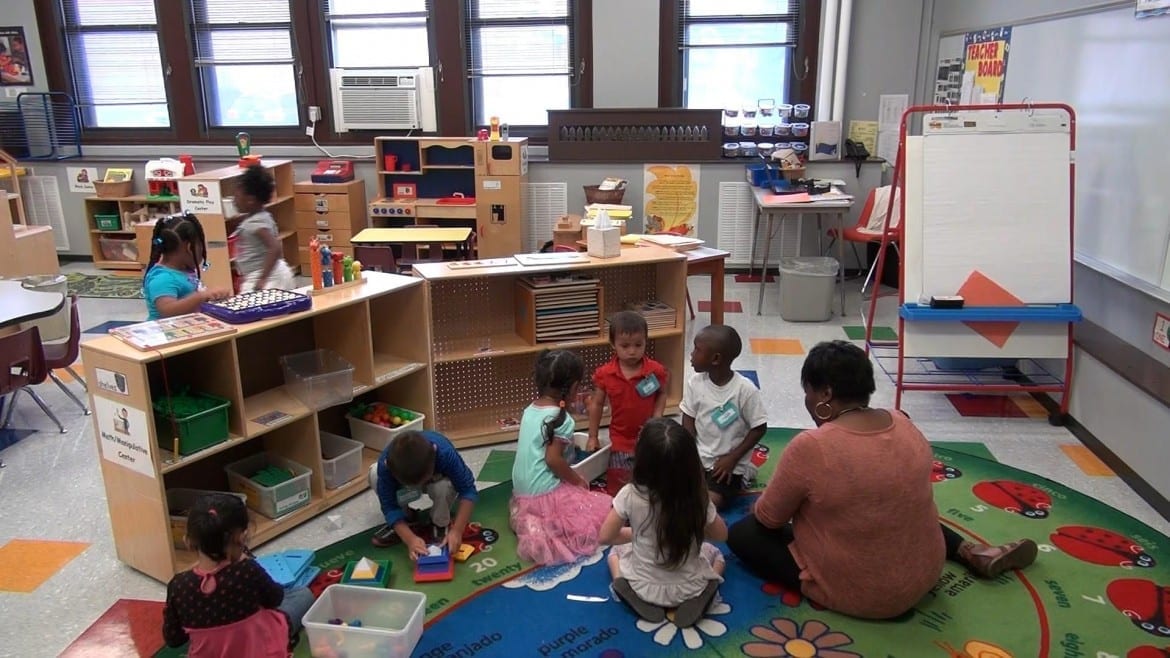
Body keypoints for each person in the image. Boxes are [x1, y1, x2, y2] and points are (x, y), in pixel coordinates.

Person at [727, 340, 1039, 620]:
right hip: (926, 574)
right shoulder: (902, 421)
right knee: (893, 502)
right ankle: (973, 552)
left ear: (826, 394)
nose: (807, 401)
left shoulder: (812, 446)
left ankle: (824, 575)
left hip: (864, 594)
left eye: (808, 392)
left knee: (744, 533)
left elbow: (768, 519)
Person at [600, 418, 727, 628]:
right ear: (691, 463)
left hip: (643, 586)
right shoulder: (698, 496)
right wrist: (691, 530)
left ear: (641, 459)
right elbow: (721, 535)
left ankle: (621, 583)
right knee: (717, 555)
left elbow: (605, 537)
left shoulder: (630, 494)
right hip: (690, 587)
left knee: (614, 553)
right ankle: (708, 588)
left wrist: (638, 534)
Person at [162, 493, 312, 657]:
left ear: (188, 542)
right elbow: (275, 598)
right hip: (262, 650)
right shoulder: (247, 570)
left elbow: (173, 639)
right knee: (302, 594)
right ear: (242, 537)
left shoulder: (179, 585)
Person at [511, 349, 613, 565]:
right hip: (544, 492)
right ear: (574, 388)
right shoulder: (562, 419)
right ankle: (543, 529)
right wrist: (577, 480)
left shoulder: (529, 409)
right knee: (592, 512)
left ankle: (532, 522)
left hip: (521, 490)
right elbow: (553, 460)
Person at [680, 325, 768, 510]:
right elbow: (688, 417)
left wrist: (733, 458)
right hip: (699, 457)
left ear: (716, 359)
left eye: (697, 349)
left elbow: (759, 427)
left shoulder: (745, 390)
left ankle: (744, 473)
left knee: (711, 503)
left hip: (727, 465)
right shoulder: (695, 383)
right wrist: (689, 452)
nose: (692, 354)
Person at [587, 310, 669, 495]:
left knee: (652, 481)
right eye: (625, 345)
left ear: (646, 341)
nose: (632, 351)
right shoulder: (605, 373)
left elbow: (662, 393)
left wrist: (657, 419)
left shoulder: (655, 370)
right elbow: (597, 404)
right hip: (620, 439)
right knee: (618, 485)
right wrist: (592, 436)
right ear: (613, 344)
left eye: (638, 345)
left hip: (648, 437)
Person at [368, 430, 478, 557]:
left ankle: (440, 522)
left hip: (436, 481)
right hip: (402, 484)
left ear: (435, 451)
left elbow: (468, 490)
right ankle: (406, 518)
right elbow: (389, 506)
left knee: (442, 487)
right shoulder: (385, 464)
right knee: (375, 474)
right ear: (388, 465)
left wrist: (457, 530)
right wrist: (409, 539)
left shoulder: (444, 452)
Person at [143, 213, 230, 320]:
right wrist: (202, 296)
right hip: (164, 333)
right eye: (201, 246)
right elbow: (167, 311)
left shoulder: (184, 270)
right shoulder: (163, 278)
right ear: (190, 248)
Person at [230, 164, 295, 292]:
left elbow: (275, 247)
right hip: (274, 273)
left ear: (250, 200)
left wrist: (262, 278)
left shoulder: (255, 223)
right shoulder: (262, 217)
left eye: (236, 196)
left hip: (266, 278)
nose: (234, 200)